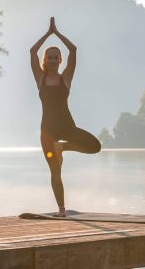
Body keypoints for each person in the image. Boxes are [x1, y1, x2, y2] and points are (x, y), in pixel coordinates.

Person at [30, 17, 102, 217]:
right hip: (47, 132)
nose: (52, 60)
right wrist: (47, 33)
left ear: (60, 61)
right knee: (55, 171)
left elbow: (73, 50)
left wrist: (57, 33)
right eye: (49, 57)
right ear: (46, 61)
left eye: (56, 57)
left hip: (67, 127)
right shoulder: (40, 78)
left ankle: (63, 147)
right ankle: (61, 210)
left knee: (95, 146)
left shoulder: (66, 78)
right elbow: (32, 52)